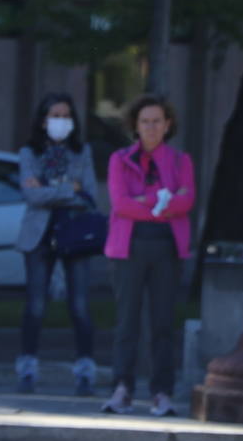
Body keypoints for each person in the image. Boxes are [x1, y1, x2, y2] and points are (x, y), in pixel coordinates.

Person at [101, 94, 195, 417]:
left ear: (168, 125)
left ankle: (162, 392)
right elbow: (121, 204)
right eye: (145, 121)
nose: (151, 127)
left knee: (163, 323)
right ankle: (122, 388)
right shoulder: (119, 159)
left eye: (157, 121)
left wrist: (147, 201)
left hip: (166, 248)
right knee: (127, 321)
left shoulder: (181, 161)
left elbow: (187, 201)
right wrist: (162, 201)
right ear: (135, 126)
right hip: (128, 247)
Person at [15, 92, 100, 395]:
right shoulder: (29, 152)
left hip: (74, 233)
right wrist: (67, 189)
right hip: (39, 235)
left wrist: (50, 188)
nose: (61, 121)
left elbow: (90, 195)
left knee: (79, 305)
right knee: (36, 305)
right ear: (43, 120)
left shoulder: (82, 152)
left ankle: (86, 371)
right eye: (55, 115)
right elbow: (31, 195)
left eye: (66, 116)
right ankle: (26, 369)